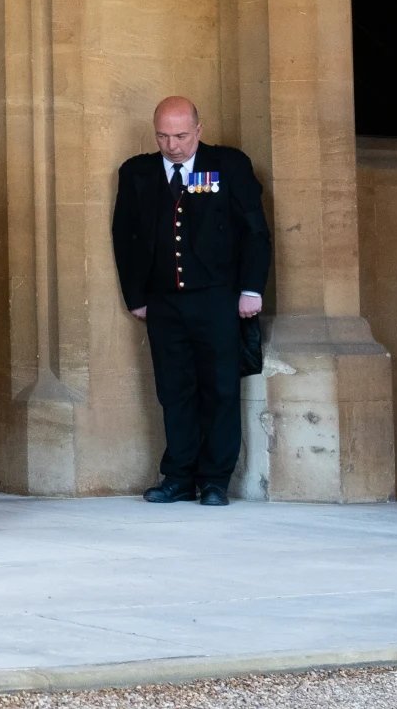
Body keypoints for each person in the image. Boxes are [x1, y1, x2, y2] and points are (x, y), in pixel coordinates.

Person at [111, 96, 271, 507]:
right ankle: (178, 476)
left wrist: (251, 289)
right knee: (174, 390)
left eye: (181, 135)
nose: (173, 145)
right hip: (163, 302)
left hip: (218, 299)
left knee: (219, 388)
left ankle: (215, 480)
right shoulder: (136, 172)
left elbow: (254, 229)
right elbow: (124, 236)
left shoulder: (229, 164)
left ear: (198, 130)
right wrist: (136, 297)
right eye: (163, 135)